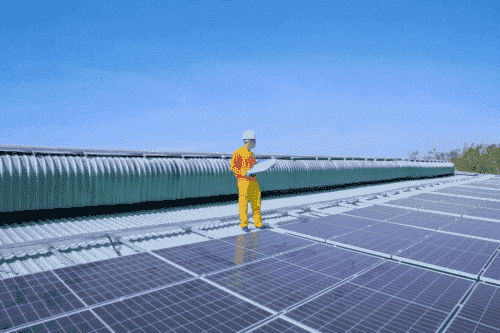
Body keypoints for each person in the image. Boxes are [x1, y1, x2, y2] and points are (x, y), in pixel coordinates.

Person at [230, 130, 265, 232]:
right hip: (243, 181)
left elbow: (253, 167)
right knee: (243, 203)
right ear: (249, 140)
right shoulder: (238, 152)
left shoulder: (252, 154)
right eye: (254, 140)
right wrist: (243, 172)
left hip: (253, 181)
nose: (255, 143)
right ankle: (244, 224)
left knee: (256, 203)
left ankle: (258, 223)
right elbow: (233, 167)